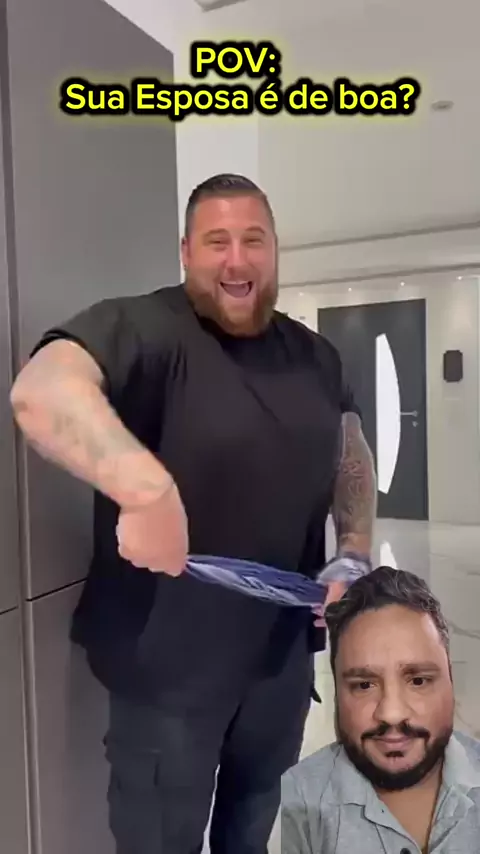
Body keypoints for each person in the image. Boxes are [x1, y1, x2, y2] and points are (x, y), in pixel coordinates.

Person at [10, 173, 376, 854]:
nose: (236, 260)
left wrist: (353, 549)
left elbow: (348, 451)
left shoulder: (316, 357)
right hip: (166, 681)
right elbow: (41, 391)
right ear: (185, 252)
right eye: (216, 242)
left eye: (253, 240)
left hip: (280, 670)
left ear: (275, 248)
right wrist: (143, 487)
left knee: (252, 832)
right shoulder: (145, 328)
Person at [281, 566, 480, 854]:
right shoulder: (293, 802)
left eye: (418, 680)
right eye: (364, 685)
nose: (391, 713)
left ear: (450, 680)